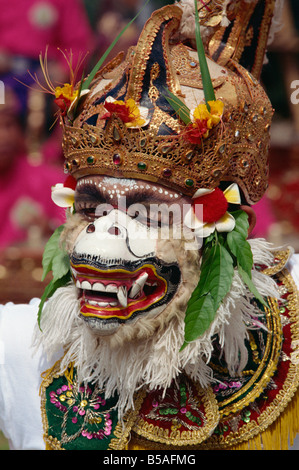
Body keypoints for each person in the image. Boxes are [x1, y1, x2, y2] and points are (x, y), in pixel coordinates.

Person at [0, 0, 299, 451]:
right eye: (93, 209)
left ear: (213, 226)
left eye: (150, 213)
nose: (105, 235)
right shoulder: (23, 347)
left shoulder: (285, 307)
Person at [0, 85, 65, 249]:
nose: (4, 136)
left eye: (9, 125)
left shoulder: (51, 181)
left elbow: (73, 235)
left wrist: (48, 229)